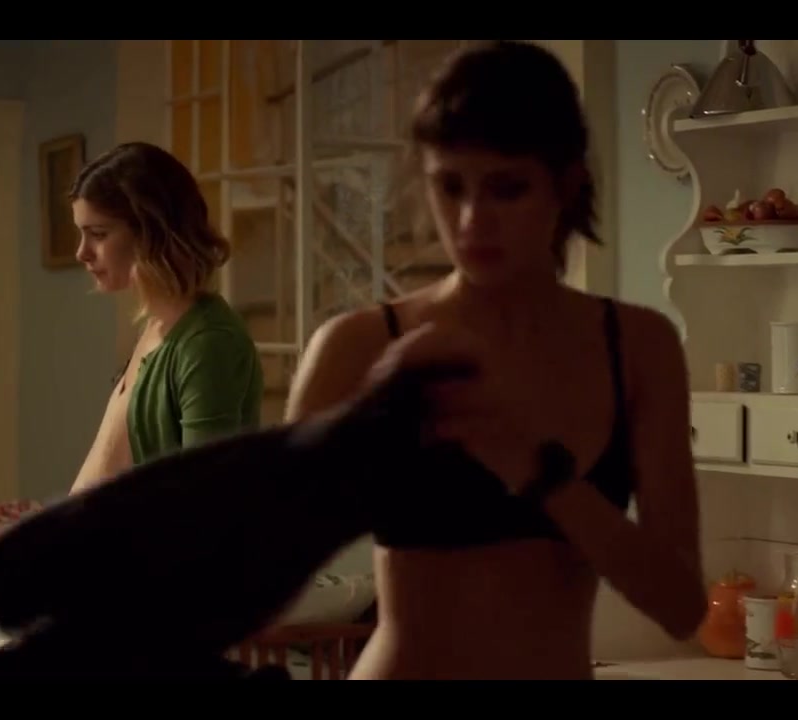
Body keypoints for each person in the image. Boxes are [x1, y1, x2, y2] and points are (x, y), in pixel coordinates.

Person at [284, 41, 708, 680]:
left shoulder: (638, 346)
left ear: (566, 183)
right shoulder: (359, 346)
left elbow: (681, 607)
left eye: (507, 188)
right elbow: (257, 572)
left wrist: (537, 471)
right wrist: (358, 439)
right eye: (449, 186)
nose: (471, 220)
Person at [67, 141, 264, 495]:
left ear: (150, 232)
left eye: (98, 234)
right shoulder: (157, 325)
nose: (82, 253)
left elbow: (206, 500)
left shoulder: (207, 343)